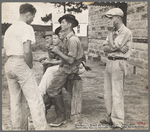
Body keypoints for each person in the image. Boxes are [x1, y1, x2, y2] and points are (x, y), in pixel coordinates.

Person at [3, 3, 49, 130]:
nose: (33, 19)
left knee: (16, 100)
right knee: (35, 99)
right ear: (28, 15)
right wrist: (29, 65)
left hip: (9, 64)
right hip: (20, 62)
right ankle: (42, 128)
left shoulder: (9, 29)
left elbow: (4, 51)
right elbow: (27, 50)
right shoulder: (26, 28)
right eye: (32, 17)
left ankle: (19, 128)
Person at [45, 14, 84, 127]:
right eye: (61, 22)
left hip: (70, 70)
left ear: (70, 24)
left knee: (52, 89)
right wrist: (53, 51)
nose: (61, 25)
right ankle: (45, 111)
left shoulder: (72, 40)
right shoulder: (66, 39)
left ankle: (61, 117)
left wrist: (57, 52)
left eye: (63, 22)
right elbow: (61, 57)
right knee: (50, 86)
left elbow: (71, 61)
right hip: (65, 68)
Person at [100, 8, 132, 129]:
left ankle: (118, 121)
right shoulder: (112, 32)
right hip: (109, 62)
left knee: (117, 92)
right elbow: (104, 47)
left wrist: (114, 47)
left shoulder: (125, 31)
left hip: (119, 62)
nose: (110, 21)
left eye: (112, 18)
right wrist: (116, 47)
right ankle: (110, 117)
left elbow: (113, 46)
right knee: (107, 91)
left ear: (118, 17)